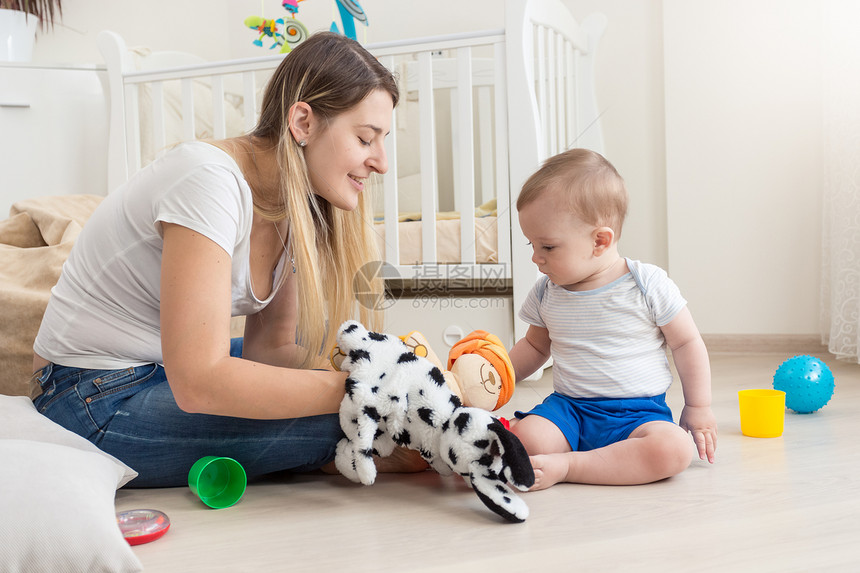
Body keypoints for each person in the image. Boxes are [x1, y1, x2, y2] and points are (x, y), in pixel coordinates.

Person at [30, 32, 425, 487]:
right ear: (303, 122)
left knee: (356, 379)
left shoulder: (297, 206)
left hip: (160, 370)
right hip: (87, 397)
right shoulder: (207, 180)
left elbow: (269, 352)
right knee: (353, 418)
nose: (382, 162)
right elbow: (200, 380)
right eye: (365, 138)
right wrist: (368, 392)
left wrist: (387, 371)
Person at [508, 148, 717, 491]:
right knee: (526, 438)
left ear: (600, 241)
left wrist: (699, 405)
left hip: (637, 416)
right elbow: (534, 346)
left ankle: (570, 466)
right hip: (570, 411)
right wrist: (498, 378)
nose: (536, 258)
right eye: (532, 245)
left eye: (547, 247)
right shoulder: (548, 292)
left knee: (674, 449)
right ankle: (585, 459)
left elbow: (686, 341)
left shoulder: (646, 284)